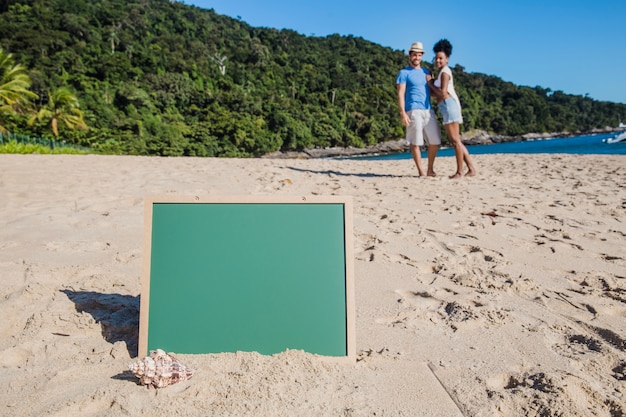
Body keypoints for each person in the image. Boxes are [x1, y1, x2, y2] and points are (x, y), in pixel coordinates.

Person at [427, 39, 477, 179]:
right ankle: (471, 169)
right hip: (446, 106)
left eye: (441, 58)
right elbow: (435, 93)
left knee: (455, 141)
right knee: (457, 141)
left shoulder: (445, 72)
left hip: (449, 105)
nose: (437, 60)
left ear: (447, 59)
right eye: (436, 58)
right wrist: (430, 84)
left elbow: (442, 92)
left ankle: (460, 172)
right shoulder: (441, 73)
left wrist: (430, 82)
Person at [396, 41, 441, 177]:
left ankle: (430, 169)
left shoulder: (427, 72)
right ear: (410, 56)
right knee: (416, 142)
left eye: (419, 55)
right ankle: (421, 171)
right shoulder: (404, 73)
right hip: (412, 110)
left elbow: (432, 91)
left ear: (422, 56)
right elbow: (400, 93)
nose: (417, 57)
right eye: (414, 55)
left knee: (435, 141)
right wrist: (403, 113)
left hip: (428, 110)